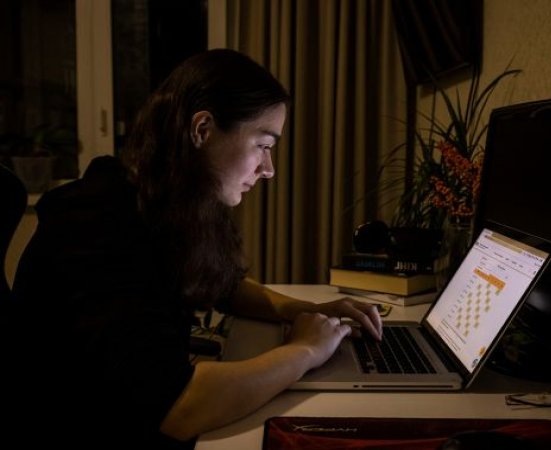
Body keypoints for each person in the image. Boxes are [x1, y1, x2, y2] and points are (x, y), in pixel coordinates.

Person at [8, 49, 382, 449]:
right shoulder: (100, 224)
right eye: (262, 144)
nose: (269, 169)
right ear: (202, 129)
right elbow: (177, 408)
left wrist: (305, 310)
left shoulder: (159, 200)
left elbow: (221, 284)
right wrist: (305, 350)